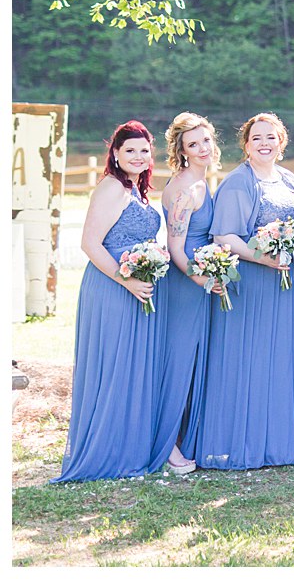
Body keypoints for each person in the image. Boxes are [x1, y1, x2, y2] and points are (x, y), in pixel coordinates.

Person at [54, 121, 186, 482]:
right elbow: (90, 244)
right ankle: (109, 450)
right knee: (115, 367)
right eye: (130, 150)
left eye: (144, 150)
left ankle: (136, 446)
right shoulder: (111, 188)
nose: (139, 157)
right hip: (113, 288)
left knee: (135, 368)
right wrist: (126, 281)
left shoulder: (137, 190)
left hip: (138, 287)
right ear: (114, 153)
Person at [198, 112, 294, 470]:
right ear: (246, 145)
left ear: (281, 142)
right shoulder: (238, 183)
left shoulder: (290, 180)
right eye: (256, 137)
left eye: (271, 137)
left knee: (280, 358)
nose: (264, 143)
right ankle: (242, 443)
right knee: (251, 358)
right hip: (253, 281)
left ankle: (276, 443)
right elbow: (225, 237)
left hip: (287, 283)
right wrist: (265, 258)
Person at [158, 112, 222, 472]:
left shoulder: (201, 181)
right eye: (192, 144)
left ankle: (186, 436)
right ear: (181, 151)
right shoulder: (186, 188)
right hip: (186, 284)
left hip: (200, 278)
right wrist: (201, 279)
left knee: (193, 360)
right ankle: (168, 447)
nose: (202, 148)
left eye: (205, 141)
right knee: (180, 362)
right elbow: (175, 248)